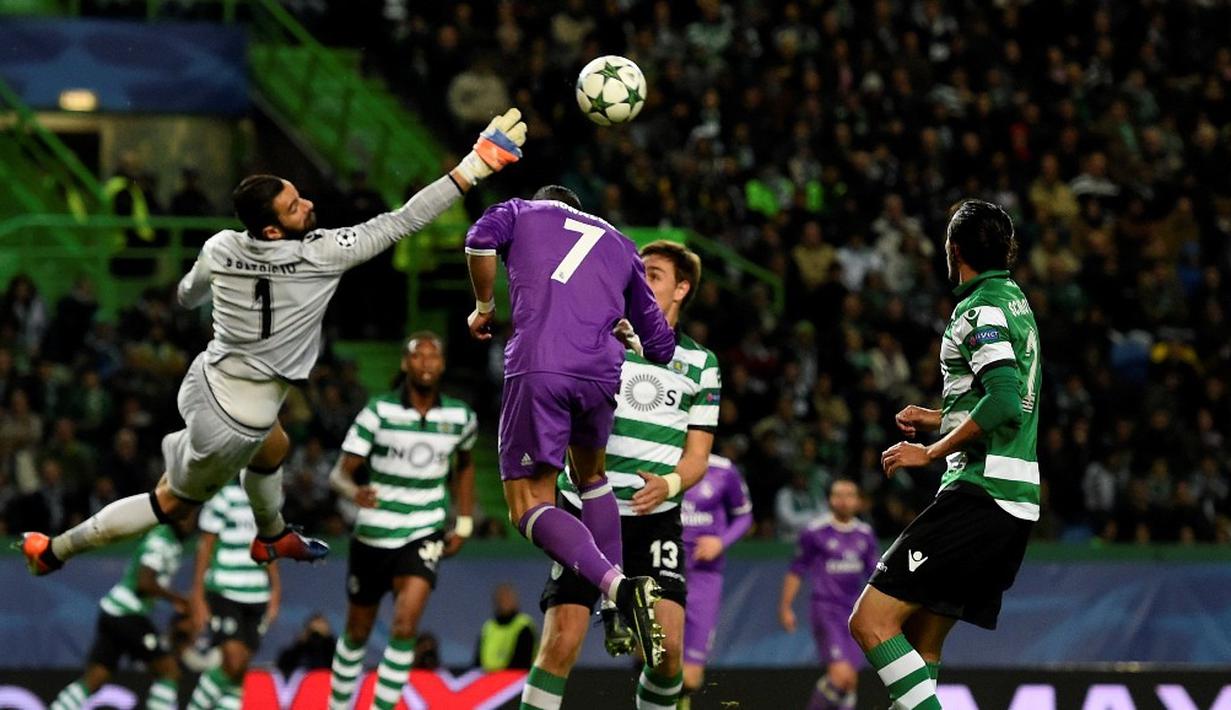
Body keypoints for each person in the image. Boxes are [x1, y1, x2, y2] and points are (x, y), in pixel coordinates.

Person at [16, 108, 527, 576]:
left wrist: (200, 292)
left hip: (208, 379)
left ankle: (272, 536)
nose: (307, 203)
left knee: (275, 446)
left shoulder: (219, 245)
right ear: (273, 230)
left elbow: (185, 295)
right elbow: (403, 220)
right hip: (232, 423)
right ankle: (55, 551)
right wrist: (476, 165)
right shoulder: (322, 254)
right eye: (293, 204)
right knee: (169, 503)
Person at [464, 183, 677, 709]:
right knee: (592, 476)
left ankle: (617, 588)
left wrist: (484, 305)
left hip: (541, 364)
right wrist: (628, 336)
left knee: (528, 503)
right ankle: (616, 606)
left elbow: (477, 243)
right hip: (601, 371)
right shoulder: (621, 242)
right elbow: (664, 348)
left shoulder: (518, 210)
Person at [849, 200, 1040, 709]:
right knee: (920, 645)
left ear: (953, 251)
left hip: (981, 494)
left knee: (870, 622)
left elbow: (1002, 404)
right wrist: (941, 416)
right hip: (1012, 503)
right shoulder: (1015, 301)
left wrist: (930, 450)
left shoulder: (978, 310)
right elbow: (1012, 398)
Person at [527, 240, 718, 710]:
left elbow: (698, 456)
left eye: (652, 274)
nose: (640, 281)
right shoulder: (598, 340)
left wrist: (668, 485)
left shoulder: (702, 364)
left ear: (681, 289)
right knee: (560, 645)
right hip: (586, 514)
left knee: (666, 653)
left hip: (654, 522)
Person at [326, 332, 478, 710]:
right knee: (357, 631)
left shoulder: (460, 417)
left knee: (405, 625)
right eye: (417, 356)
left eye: (433, 356)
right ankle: (338, 704)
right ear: (405, 364)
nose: (426, 363)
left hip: (424, 531)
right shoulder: (379, 411)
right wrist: (352, 491)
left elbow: (465, 465)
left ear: (442, 365)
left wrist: (463, 523)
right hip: (374, 534)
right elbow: (339, 474)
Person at [47, 522, 192, 710]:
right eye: (190, 513)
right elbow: (144, 582)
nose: (192, 519)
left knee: (95, 678)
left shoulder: (170, 539)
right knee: (169, 671)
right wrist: (179, 599)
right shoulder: (161, 539)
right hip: (127, 613)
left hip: (113, 611)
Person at [778, 479, 879, 710]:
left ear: (858, 501)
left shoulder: (865, 535)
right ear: (830, 499)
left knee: (849, 681)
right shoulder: (815, 532)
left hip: (855, 615)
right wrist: (785, 607)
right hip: (826, 610)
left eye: (849, 494)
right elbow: (796, 570)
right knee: (840, 676)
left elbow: (875, 577)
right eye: (838, 494)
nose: (843, 500)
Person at [185, 480, 282, 710]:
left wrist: (276, 589)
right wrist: (197, 593)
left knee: (239, 670)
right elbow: (205, 545)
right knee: (233, 660)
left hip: (257, 593)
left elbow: (269, 545)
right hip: (225, 589)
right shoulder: (222, 497)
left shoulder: (266, 500)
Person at [679, 453, 752, 705]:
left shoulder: (723, 470)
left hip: (704, 577)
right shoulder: (658, 458)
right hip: (663, 571)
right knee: (659, 664)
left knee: (690, 677)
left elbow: (744, 516)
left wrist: (721, 541)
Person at [476, 583, 537, 671]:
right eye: (501, 599)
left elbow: (522, 662)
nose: (504, 602)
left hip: (516, 682)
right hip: (488, 680)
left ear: (515, 601)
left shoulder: (524, 626)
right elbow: (477, 662)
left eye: (507, 598)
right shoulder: (488, 628)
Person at [277, 613, 337, 677]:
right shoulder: (299, 649)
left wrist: (328, 639)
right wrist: (300, 642)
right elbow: (284, 665)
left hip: (324, 679)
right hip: (304, 680)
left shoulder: (331, 649)